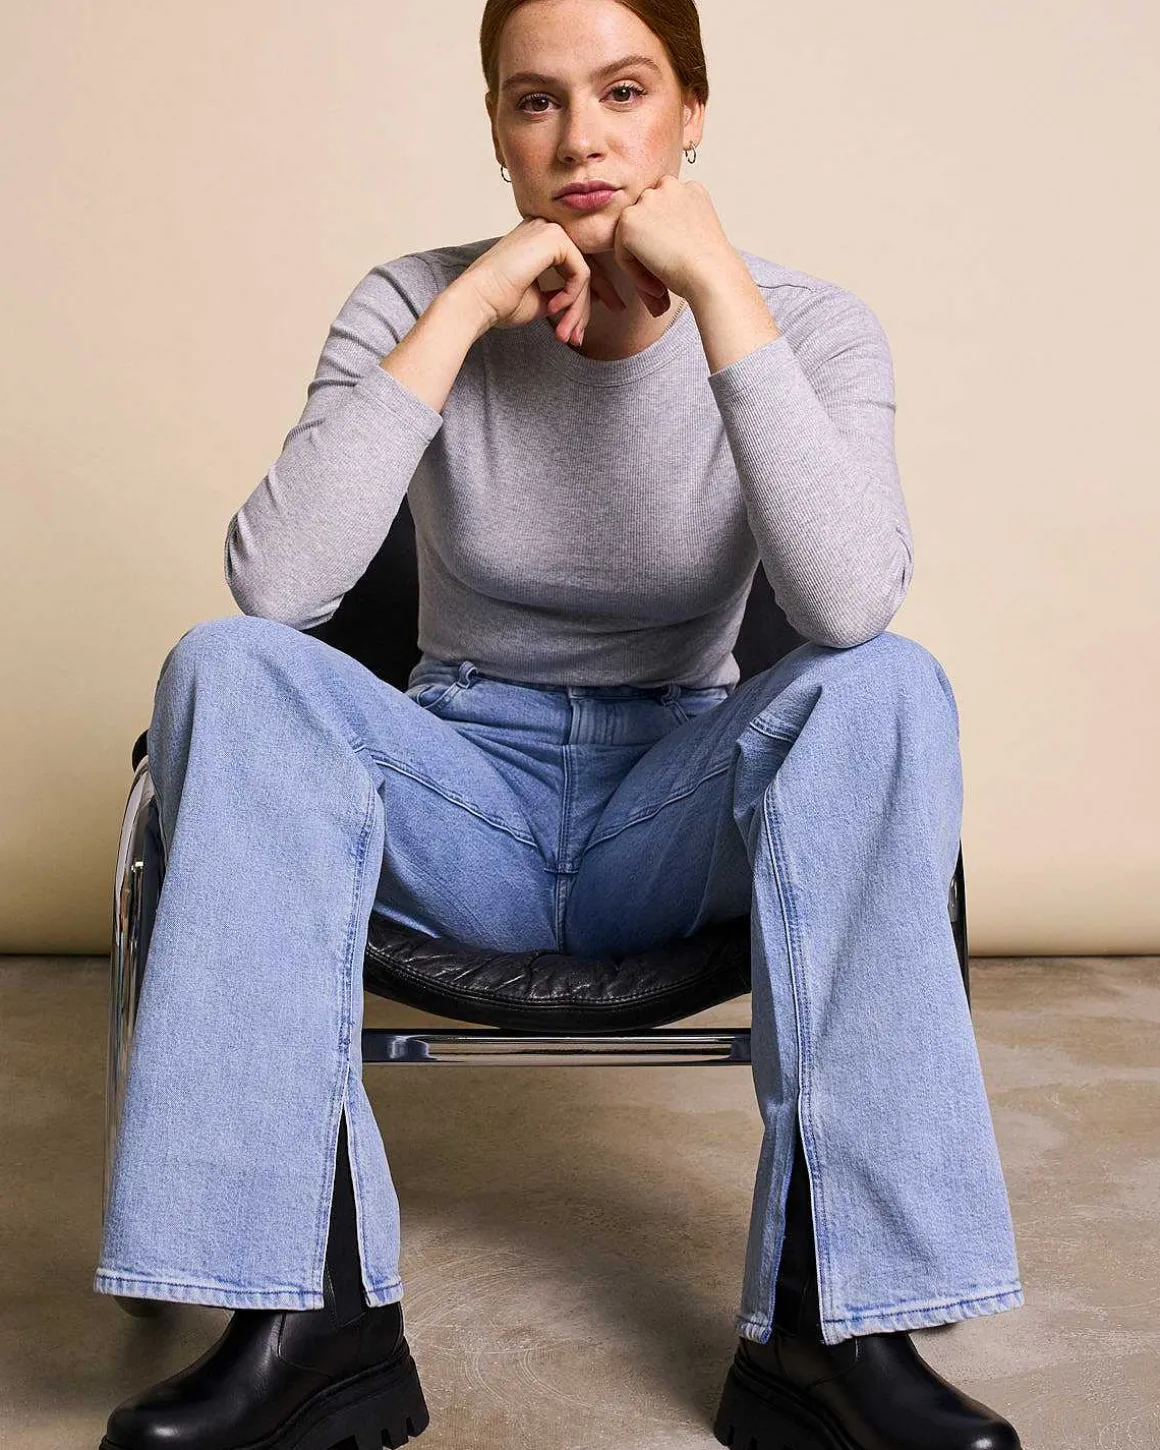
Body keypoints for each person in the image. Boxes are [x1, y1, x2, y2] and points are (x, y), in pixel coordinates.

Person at [94, 2, 1027, 1447]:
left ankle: (834, 1330)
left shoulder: (811, 322)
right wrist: (466, 308)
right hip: (459, 791)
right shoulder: (411, 298)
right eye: (535, 102)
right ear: (497, 130)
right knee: (227, 665)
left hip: (679, 804)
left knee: (890, 684)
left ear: (692, 111)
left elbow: (847, 603)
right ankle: (306, 1317)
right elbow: (277, 586)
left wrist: (720, 297)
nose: (581, 137)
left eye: (625, 91)